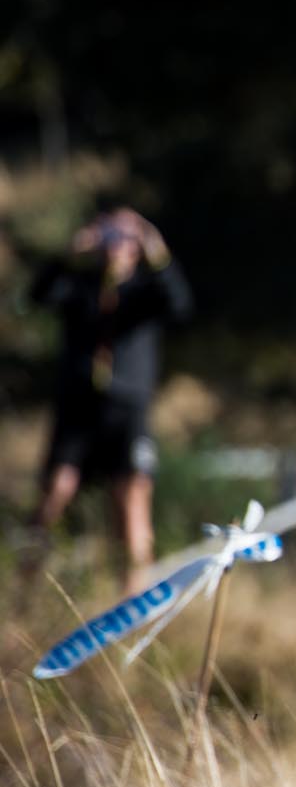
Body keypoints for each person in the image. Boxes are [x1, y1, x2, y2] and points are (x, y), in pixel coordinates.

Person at [22, 199, 192, 596]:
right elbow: (37, 295)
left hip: (128, 410)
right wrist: (69, 254)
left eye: (127, 237)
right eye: (112, 235)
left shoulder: (147, 291)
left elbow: (180, 305)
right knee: (55, 493)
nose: (118, 245)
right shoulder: (78, 288)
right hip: (78, 409)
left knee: (131, 501)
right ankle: (22, 595)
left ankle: (133, 605)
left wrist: (158, 254)